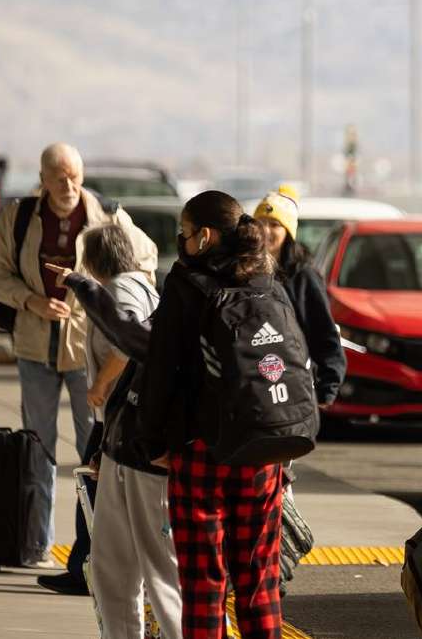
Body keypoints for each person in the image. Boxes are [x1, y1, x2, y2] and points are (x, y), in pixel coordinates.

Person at [0, 142, 157, 576]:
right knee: (38, 449)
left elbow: (145, 257)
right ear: (42, 179)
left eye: (76, 177)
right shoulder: (19, 217)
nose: (69, 186)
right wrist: (31, 301)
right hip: (34, 348)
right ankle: (37, 543)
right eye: (60, 177)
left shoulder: (108, 216)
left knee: (95, 452)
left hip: (90, 351)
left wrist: (109, 299)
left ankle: (97, 549)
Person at [137, 190, 285, 639]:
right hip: (261, 449)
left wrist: (152, 442)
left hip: (200, 449)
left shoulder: (185, 284)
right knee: (259, 583)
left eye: (183, 233)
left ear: (203, 236)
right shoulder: (265, 281)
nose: (181, 242)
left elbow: (160, 368)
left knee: (203, 585)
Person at [45, 225, 182, 639]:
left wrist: (101, 385)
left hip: (130, 433)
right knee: (121, 563)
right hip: (125, 431)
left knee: (143, 568)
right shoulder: (138, 284)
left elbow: (129, 345)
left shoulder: (123, 289)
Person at [252, 185, 345, 409]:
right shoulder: (243, 271)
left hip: (293, 384)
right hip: (252, 382)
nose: (266, 231)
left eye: (274, 225)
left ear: (288, 232)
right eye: (260, 223)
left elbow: (324, 332)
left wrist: (327, 387)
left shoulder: (303, 275)